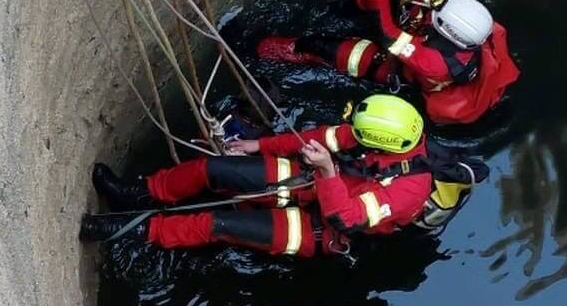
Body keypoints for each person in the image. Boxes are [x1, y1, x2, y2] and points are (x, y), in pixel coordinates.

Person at [79, 95, 450, 257]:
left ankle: (127, 230)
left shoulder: (409, 191)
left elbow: (345, 218)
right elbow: (326, 137)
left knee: (218, 223)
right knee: (216, 169)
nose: (353, 134)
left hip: (326, 223)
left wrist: (326, 171)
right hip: (319, 181)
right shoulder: (389, 131)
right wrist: (264, 146)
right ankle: (139, 193)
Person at [256, 0, 519, 125]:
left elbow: (389, 36)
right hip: (416, 40)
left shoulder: (436, 63)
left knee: (319, 46)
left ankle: (262, 48)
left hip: (396, 68)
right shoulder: (459, 15)